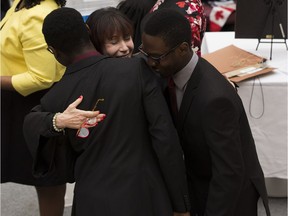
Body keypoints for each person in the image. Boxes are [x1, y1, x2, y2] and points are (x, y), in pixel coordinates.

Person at [23, 7, 191, 216]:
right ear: (87, 30)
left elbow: (34, 126)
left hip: (92, 201)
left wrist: (56, 121)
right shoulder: (137, 71)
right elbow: (164, 138)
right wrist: (181, 204)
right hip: (145, 195)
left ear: (53, 50)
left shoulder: (56, 97)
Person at [139, 9, 271, 216]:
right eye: (145, 53)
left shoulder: (214, 99)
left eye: (156, 57)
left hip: (226, 199)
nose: (149, 63)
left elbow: (229, 173)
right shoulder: (168, 72)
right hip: (199, 182)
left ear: (183, 49)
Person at [0, 0, 68, 215]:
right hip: (15, 99)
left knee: (46, 175)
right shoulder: (20, 5)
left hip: (32, 102)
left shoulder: (39, 14)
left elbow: (42, 77)